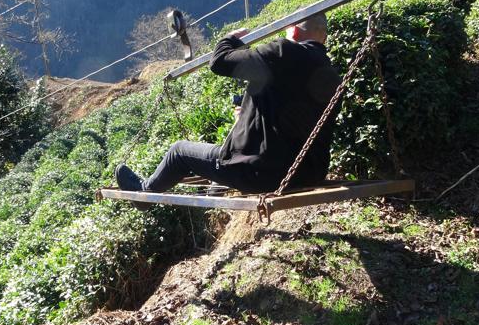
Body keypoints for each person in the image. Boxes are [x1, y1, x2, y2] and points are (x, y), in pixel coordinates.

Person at [115, 13, 342, 203]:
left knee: (179, 152)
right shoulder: (332, 76)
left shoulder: (283, 52)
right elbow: (290, 114)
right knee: (220, 153)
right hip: (308, 174)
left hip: (260, 174)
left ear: (292, 31)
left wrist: (229, 40)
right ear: (323, 37)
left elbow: (220, 62)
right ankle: (209, 188)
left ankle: (143, 193)